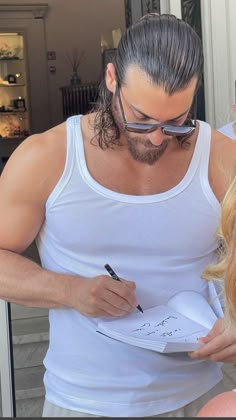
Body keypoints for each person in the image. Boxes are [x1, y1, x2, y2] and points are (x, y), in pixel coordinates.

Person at [0, 13, 236, 418]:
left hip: (199, 397)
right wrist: (69, 290)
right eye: (141, 119)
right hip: (84, 400)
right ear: (111, 78)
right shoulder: (46, 157)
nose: (157, 137)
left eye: (176, 121)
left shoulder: (219, 157)